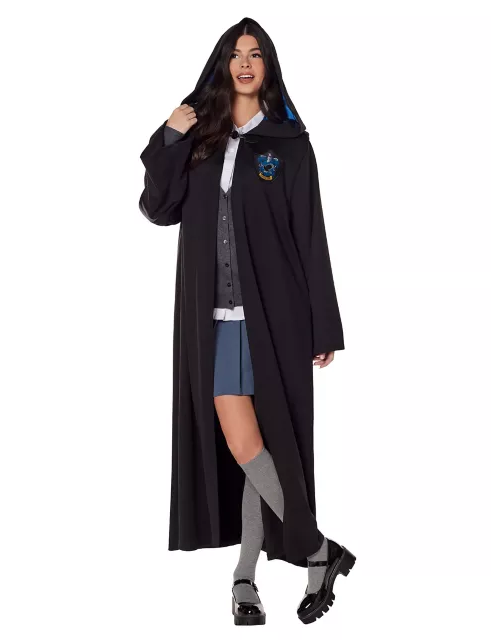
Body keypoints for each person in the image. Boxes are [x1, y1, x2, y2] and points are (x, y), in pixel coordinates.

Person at [139, 17, 356, 625]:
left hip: (278, 317)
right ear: (221, 64)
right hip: (214, 319)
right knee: (244, 446)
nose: (244, 63)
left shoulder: (289, 143)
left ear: (268, 66)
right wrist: (169, 136)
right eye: (235, 54)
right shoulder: (200, 139)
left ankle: (244, 581)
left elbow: (310, 235)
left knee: (267, 448)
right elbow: (158, 207)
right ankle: (318, 549)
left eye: (255, 54)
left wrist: (323, 325)